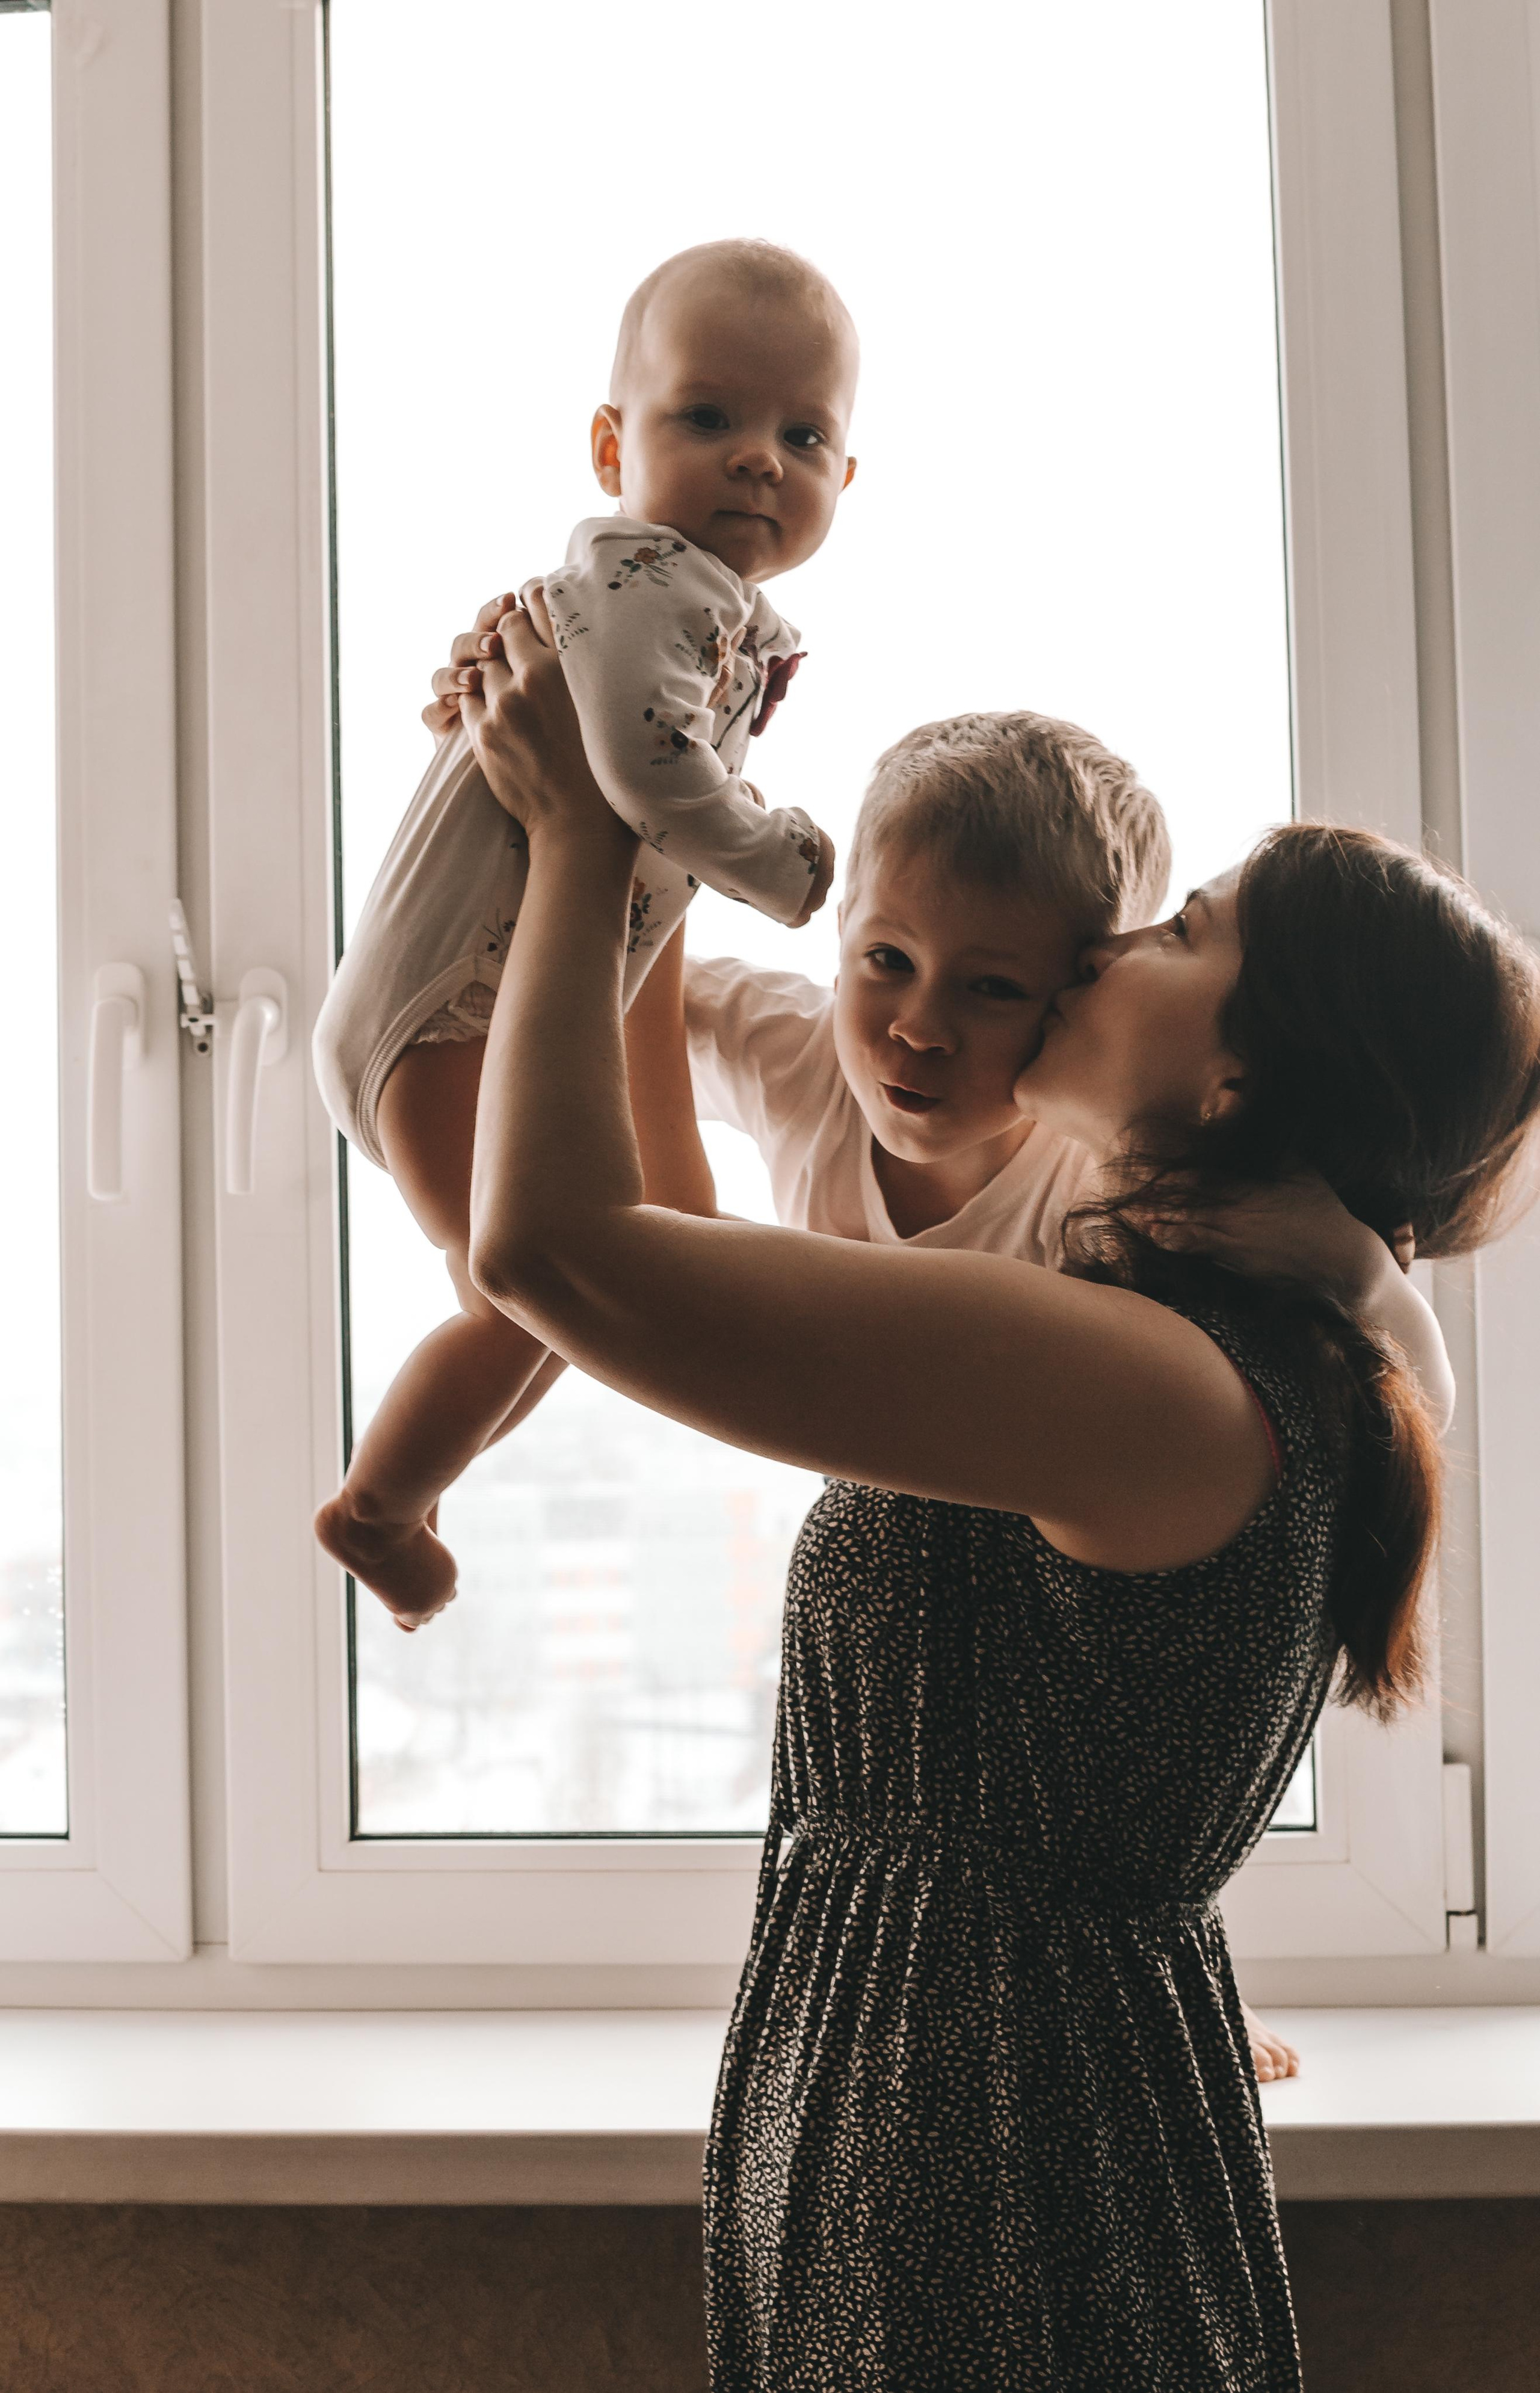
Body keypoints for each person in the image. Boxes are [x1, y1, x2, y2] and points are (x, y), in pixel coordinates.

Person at [452, 593, 1540, 2391]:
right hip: (977, 2127)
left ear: (1239, 1068)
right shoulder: (1285, 1337)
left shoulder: (1154, 1382)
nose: (1117, 947)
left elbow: (555, 1250)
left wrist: (590, 837)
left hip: (984, 2175)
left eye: (1184, 931)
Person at [311, 239, 857, 1621]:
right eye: (708, 417)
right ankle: (376, 1511)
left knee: (602, 1281)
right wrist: (782, 864)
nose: (757, 460)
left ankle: (406, 1496)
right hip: (446, 1013)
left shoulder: (706, 613)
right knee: (534, 1293)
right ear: (612, 442)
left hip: (497, 1006)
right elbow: (644, 774)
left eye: (803, 435)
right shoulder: (643, 583)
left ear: (845, 482)